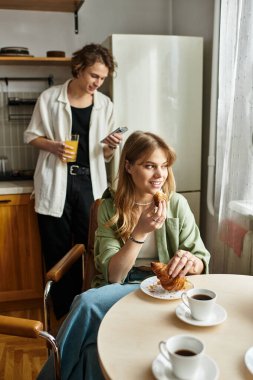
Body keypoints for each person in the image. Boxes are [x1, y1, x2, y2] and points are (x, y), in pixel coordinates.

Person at [37, 131, 210, 380]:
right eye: (150, 166)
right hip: (126, 286)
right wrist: (140, 231)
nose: (160, 174)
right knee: (87, 321)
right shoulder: (110, 207)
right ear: (128, 166)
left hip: (165, 290)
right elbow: (114, 276)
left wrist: (193, 262)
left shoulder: (176, 204)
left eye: (164, 166)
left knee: (87, 323)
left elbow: (202, 257)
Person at [24, 43, 123, 319]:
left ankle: (87, 305)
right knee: (57, 250)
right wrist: (54, 147)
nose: (98, 83)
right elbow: (31, 136)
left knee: (91, 246)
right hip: (56, 181)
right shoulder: (50, 98)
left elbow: (103, 155)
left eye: (103, 78)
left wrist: (111, 146)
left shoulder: (105, 105)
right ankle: (63, 311)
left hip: (89, 183)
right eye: (94, 75)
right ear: (79, 68)